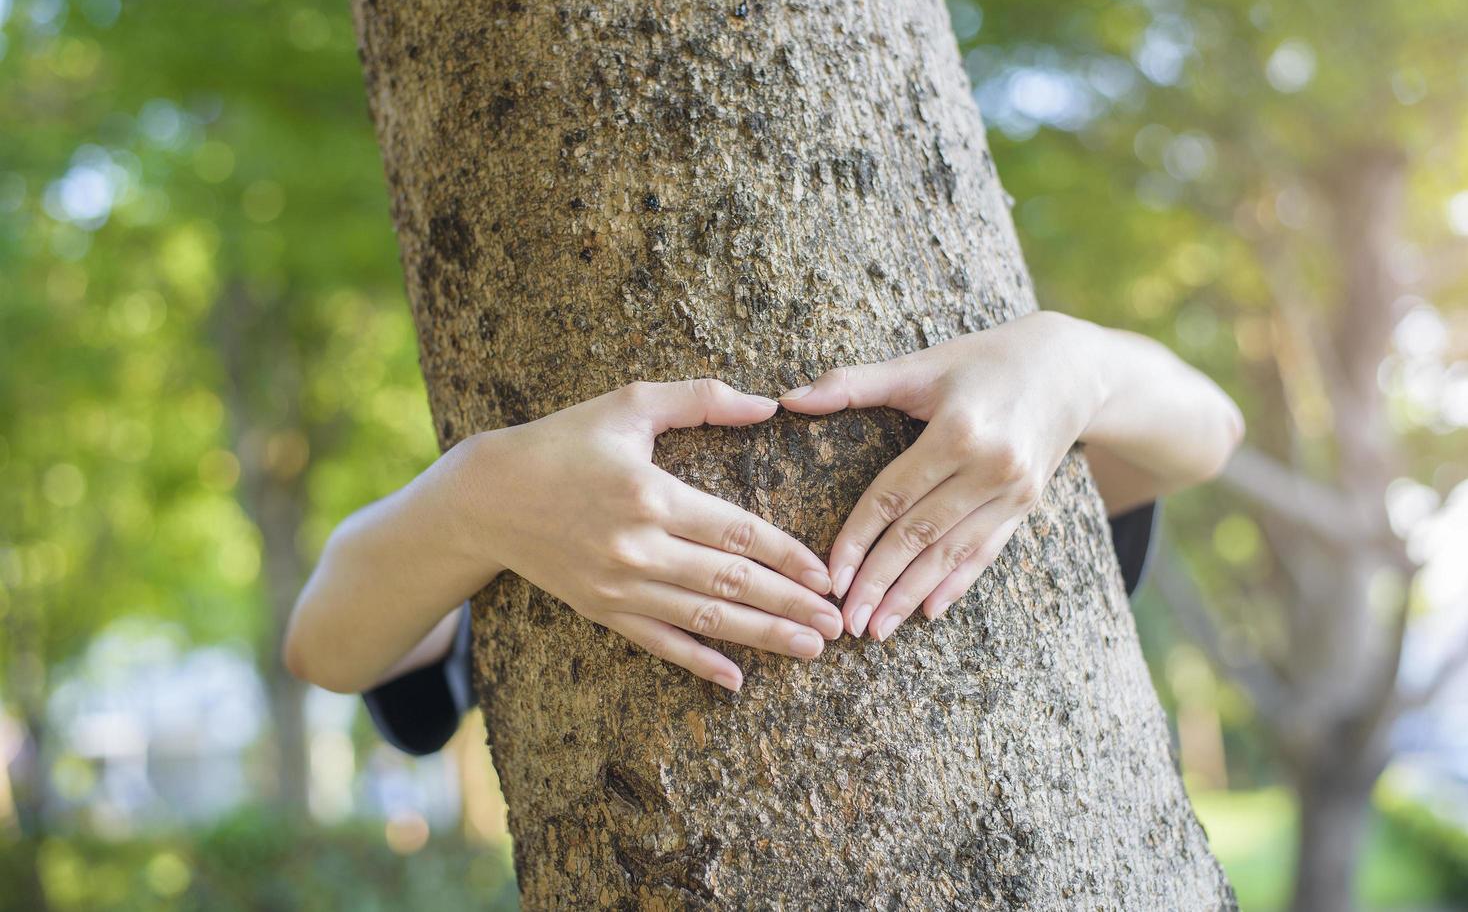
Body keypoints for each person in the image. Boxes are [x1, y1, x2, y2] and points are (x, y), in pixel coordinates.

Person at [283, 310, 1243, 755]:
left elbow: (1202, 434)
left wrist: (1075, 360)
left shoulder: (993, 471)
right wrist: (474, 495)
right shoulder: (554, 538)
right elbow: (331, 642)